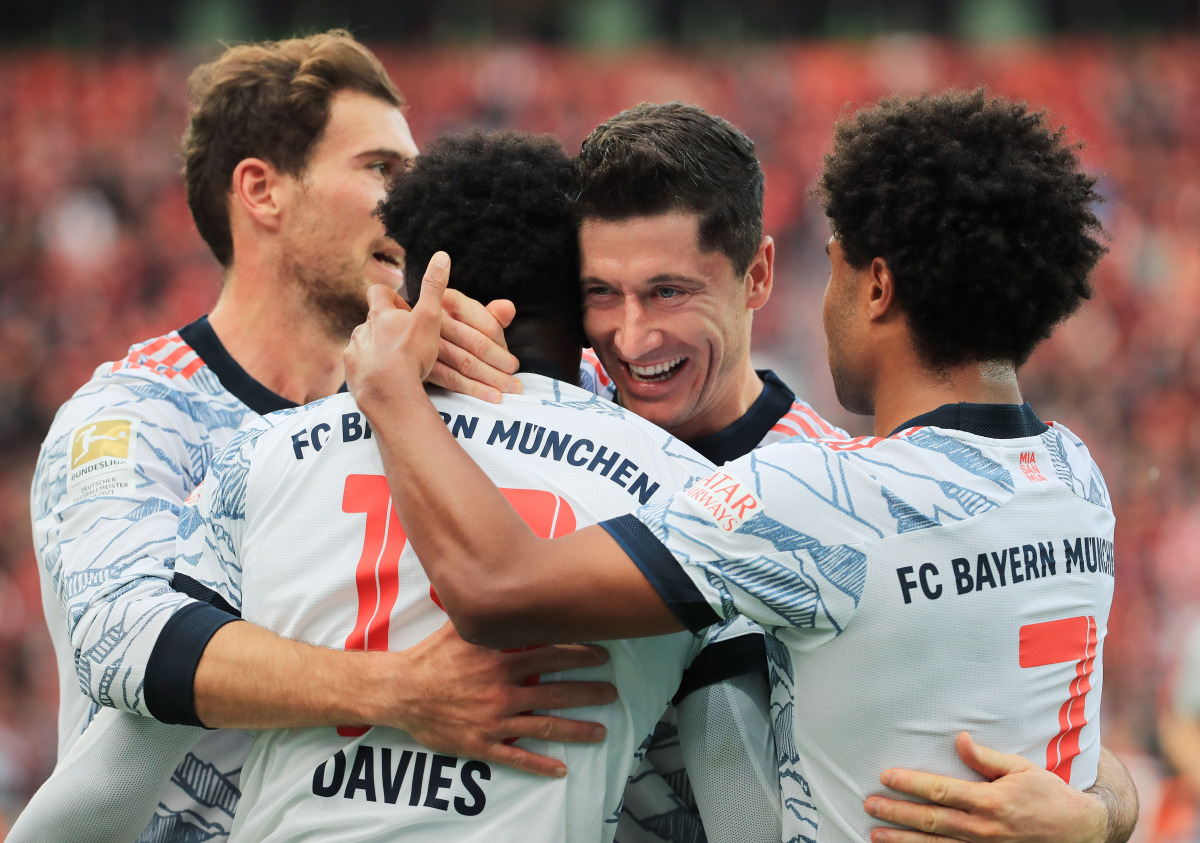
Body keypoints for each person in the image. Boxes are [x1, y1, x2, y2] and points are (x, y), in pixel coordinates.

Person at [344, 88, 1120, 843]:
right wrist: (1103, 811)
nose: (633, 336)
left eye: (669, 291)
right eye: (601, 293)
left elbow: (497, 586)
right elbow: (1036, 713)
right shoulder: (1071, 472)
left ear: (761, 275)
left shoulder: (814, 489)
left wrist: (393, 394)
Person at [24, 30, 611, 841]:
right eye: (380, 169)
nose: (409, 202)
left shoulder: (417, 400)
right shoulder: (135, 414)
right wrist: (399, 689)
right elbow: (121, 638)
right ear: (262, 191)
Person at [171, 129, 758, 841]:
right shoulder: (688, 492)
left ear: (409, 293)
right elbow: (739, 786)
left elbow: (142, 698)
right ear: (580, 296)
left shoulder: (263, 453)